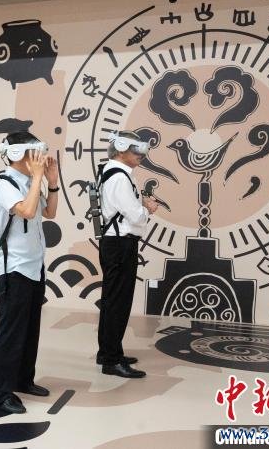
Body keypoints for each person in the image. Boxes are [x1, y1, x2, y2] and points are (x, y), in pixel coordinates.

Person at [0, 130, 59, 414]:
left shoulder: (30, 182)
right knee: (10, 333)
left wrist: (52, 183)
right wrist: (39, 177)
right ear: (18, 154)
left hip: (34, 265)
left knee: (30, 329)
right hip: (14, 268)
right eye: (34, 153)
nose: (39, 158)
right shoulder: (3, 183)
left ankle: (22, 380)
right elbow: (27, 211)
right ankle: (0, 394)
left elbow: (49, 213)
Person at [96, 130, 158, 378]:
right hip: (120, 245)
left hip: (115, 243)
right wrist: (148, 209)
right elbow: (135, 216)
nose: (141, 155)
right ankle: (111, 360)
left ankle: (109, 352)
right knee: (118, 303)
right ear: (121, 149)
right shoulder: (120, 178)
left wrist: (139, 207)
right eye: (136, 150)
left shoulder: (111, 172)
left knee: (112, 301)